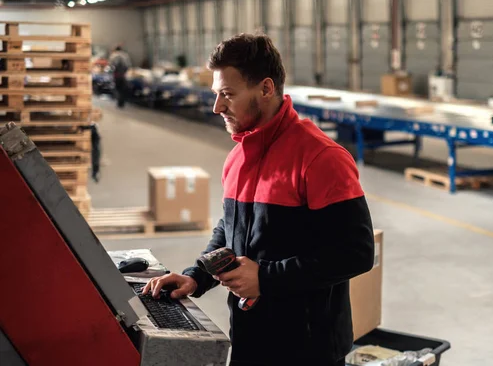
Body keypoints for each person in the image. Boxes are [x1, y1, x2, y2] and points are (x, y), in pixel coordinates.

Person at [143, 34, 375, 366]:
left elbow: (357, 253)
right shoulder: (239, 156)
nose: (217, 107)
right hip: (249, 339)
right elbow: (230, 229)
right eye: (216, 94)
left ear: (265, 89)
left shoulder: (320, 157)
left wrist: (266, 278)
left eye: (227, 95)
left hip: (309, 349)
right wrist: (196, 276)